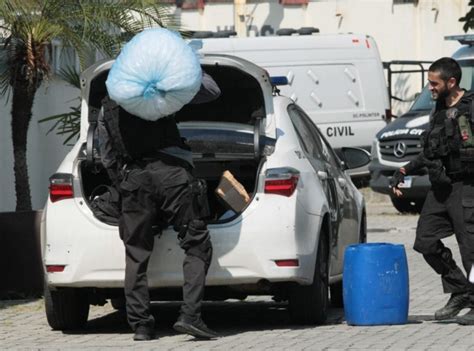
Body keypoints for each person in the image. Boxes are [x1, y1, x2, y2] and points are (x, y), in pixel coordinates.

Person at [97, 71, 221, 341]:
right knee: (196, 243)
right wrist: (185, 65)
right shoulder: (163, 90)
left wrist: (124, 182)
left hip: (134, 181)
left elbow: (106, 155)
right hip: (173, 177)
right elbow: (212, 91)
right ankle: (190, 316)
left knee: (136, 253)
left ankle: (141, 326)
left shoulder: (109, 103)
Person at [390, 57, 474, 325]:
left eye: (434, 83)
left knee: (470, 248)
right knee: (425, 241)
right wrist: (405, 170)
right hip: (440, 188)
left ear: (452, 82)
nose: (430, 88)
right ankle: (460, 289)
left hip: (467, 186)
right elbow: (430, 152)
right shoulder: (438, 110)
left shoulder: (471, 108)